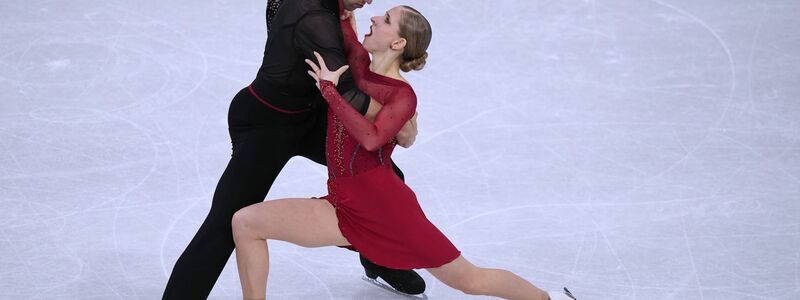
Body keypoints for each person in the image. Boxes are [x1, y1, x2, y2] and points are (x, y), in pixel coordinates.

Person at [231, 5, 578, 300]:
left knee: (469, 279)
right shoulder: (357, 66)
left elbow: (371, 139)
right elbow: (338, 21)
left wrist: (331, 93)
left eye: (385, 20)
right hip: (345, 202)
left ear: (397, 42)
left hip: (385, 207)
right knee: (246, 222)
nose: (375, 17)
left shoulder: (402, 96)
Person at [161, 0, 426, 298]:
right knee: (225, 223)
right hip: (267, 124)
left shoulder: (329, 11)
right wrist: (399, 118)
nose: (369, 2)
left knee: (386, 178)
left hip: (308, 115)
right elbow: (347, 92)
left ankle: (377, 258)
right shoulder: (314, 17)